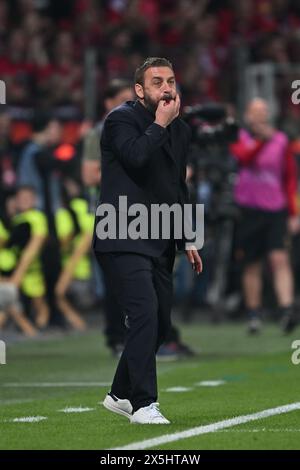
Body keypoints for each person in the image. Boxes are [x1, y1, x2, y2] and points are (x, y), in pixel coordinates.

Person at [93, 57, 203, 424]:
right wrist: (159, 125)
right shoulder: (119, 119)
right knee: (143, 313)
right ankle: (143, 404)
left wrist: (189, 236)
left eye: (171, 80)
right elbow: (136, 158)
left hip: (159, 235)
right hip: (121, 232)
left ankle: (120, 393)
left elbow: (177, 185)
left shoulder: (180, 129)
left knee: (159, 321)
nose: (167, 88)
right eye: (157, 82)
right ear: (139, 91)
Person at [231, 98, 300, 334]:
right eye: (255, 112)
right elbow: (243, 157)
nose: (260, 117)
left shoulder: (281, 141)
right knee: (252, 263)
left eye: (263, 112)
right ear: (248, 116)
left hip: (275, 209)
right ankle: (254, 313)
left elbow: (289, 178)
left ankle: (286, 309)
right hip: (249, 209)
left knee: (279, 259)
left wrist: (293, 213)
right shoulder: (241, 137)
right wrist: (261, 140)